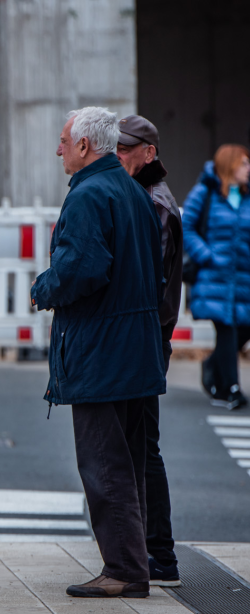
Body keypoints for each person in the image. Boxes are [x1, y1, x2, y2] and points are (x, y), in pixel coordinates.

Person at [32, 107, 166, 599]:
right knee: (128, 461)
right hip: (133, 347)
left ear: (85, 146)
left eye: (64, 141)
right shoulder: (132, 191)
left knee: (104, 463)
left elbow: (82, 270)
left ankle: (124, 570)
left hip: (101, 351)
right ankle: (133, 563)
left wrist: (43, 287)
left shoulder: (89, 194)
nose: (59, 149)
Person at [116, 114, 184, 588]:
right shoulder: (141, 195)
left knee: (142, 447)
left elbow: (147, 283)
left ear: (149, 153)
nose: (118, 156)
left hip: (144, 339)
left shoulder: (154, 204)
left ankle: (159, 554)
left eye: (126, 149)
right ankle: (149, 551)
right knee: (137, 445)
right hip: (143, 337)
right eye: (115, 148)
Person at [183, 144, 250, 409]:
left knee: (241, 327)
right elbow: (186, 226)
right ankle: (231, 388)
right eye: (244, 163)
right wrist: (207, 255)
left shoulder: (246, 195)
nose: (248, 169)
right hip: (215, 277)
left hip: (243, 278)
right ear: (229, 165)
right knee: (226, 326)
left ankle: (212, 365)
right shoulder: (206, 192)